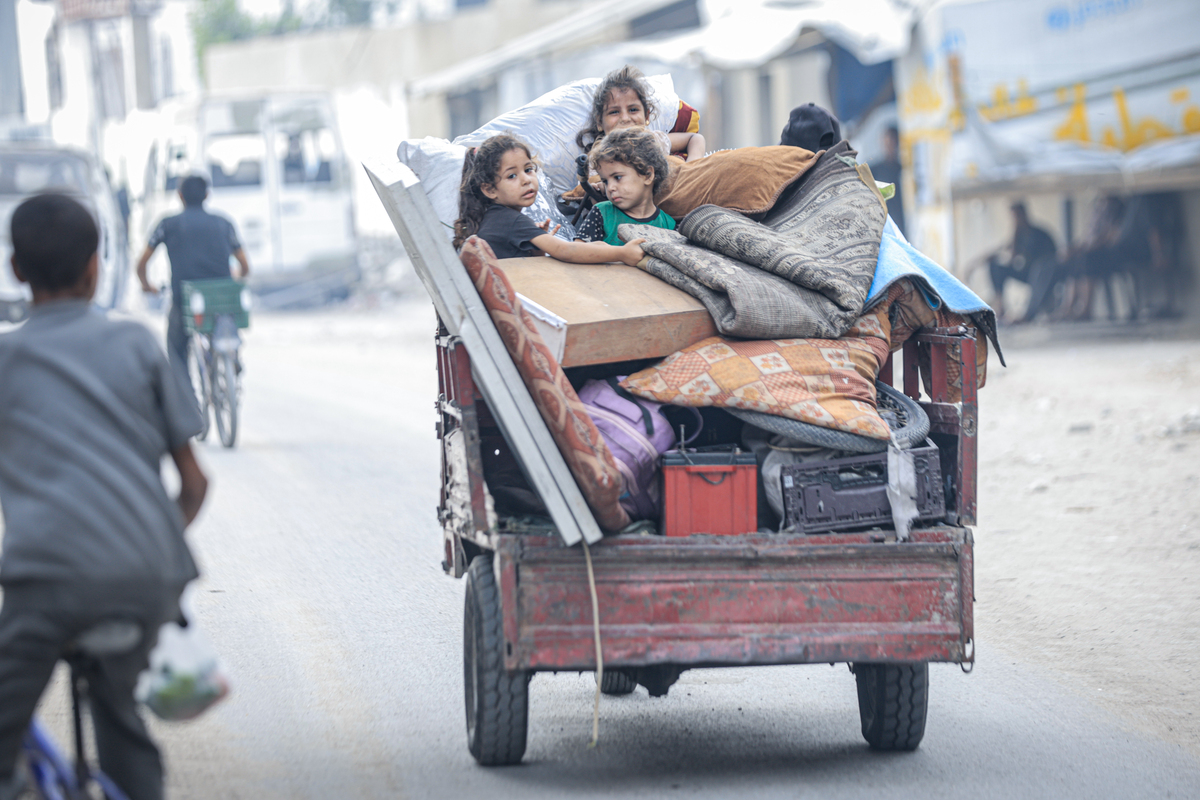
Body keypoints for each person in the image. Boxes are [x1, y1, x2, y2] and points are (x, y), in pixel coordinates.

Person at [0, 193, 209, 800]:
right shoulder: (137, 343)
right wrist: (144, 546)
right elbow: (194, 485)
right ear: (96, 266)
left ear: (16, 269)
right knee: (120, 714)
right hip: (145, 577)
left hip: (45, 582)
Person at [453, 133, 647, 266]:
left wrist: (537, 248)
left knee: (600, 246)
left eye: (528, 169)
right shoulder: (510, 220)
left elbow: (529, 264)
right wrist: (621, 253)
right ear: (489, 190)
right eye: (512, 176)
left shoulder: (497, 218)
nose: (526, 180)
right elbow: (565, 251)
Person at [136, 175, 249, 386]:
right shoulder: (224, 223)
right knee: (226, 320)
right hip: (220, 299)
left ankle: (187, 399)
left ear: (180, 196)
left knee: (176, 350)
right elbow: (244, 265)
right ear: (207, 195)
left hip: (183, 299)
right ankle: (231, 355)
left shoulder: (167, 224)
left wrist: (146, 285)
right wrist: (237, 279)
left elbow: (141, 263)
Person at [576, 65, 706, 161]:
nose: (625, 118)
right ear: (599, 122)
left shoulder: (653, 141)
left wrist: (691, 167)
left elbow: (695, 139)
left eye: (633, 110)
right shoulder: (598, 158)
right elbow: (592, 191)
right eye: (614, 112)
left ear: (647, 116)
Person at [574, 127, 676, 246]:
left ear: (648, 175)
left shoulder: (668, 225)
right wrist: (621, 254)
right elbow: (576, 250)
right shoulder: (602, 213)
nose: (610, 187)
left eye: (617, 177)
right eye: (605, 181)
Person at [986, 202, 1058, 322]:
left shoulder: (1039, 235)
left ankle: (1028, 314)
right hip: (1027, 273)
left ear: (1024, 215)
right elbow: (1007, 253)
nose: (1015, 220)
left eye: (1016, 217)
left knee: (1038, 268)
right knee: (996, 266)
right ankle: (1000, 306)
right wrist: (1014, 233)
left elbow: (1051, 259)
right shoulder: (1019, 235)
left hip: (1044, 275)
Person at [871, 125, 906, 238]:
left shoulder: (903, 170)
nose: (889, 145)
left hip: (901, 224)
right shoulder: (874, 170)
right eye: (887, 141)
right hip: (883, 225)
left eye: (893, 141)